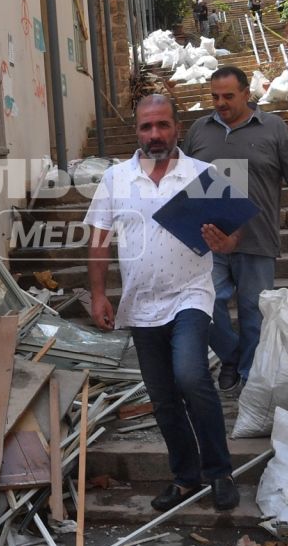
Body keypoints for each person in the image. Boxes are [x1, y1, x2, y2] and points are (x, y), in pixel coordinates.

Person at [85, 94, 241, 514]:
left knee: (191, 376)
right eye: (146, 127)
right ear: (137, 131)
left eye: (162, 125)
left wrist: (226, 241)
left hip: (190, 294)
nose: (155, 135)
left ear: (177, 128)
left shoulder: (203, 175)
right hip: (140, 303)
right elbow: (98, 239)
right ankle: (185, 478)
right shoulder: (116, 179)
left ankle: (219, 472)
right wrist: (100, 294)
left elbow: (233, 234)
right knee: (164, 397)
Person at [185, 66, 288, 392]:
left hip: (258, 238)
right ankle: (231, 355)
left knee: (253, 314)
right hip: (209, 241)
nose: (220, 103)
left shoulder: (273, 128)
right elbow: (181, 180)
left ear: (247, 93)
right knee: (205, 304)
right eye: (215, 96)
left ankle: (248, 379)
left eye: (228, 96)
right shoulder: (199, 131)